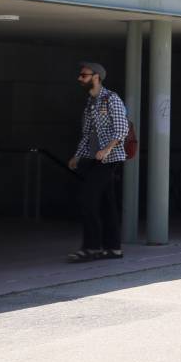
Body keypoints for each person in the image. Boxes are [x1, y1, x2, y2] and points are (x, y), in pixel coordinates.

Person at [67, 62, 129, 263]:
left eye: (83, 75)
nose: (80, 78)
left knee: (87, 199)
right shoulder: (89, 103)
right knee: (107, 204)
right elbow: (86, 134)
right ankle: (113, 248)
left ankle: (91, 248)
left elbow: (122, 130)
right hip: (93, 159)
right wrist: (77, 155)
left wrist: (107, 149)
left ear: (96, 77)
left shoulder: (112, 99)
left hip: (109, 159)